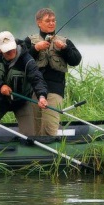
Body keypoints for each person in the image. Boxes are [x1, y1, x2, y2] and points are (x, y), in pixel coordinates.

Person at [0, 31, 48, 138]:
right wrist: (0, 86)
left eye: (12, 48)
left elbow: (37, 79)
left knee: (28, 137)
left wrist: (42, 96)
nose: (11, 51)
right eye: (6, 50)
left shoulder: (27, 60)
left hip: (22, 102)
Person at [24, 8, 82, 136]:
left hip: (55, 90)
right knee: (35, 129)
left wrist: (64, 48)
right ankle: (36, 154)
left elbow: (76, 60)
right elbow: (20, 61)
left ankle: (51, 152)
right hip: (34, 91)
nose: (52, 23)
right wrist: (35, 49)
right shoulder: (29, 41)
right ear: (39, 23)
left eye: (53, 20)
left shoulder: (65, 42)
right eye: (47, 21)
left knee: (49, 129)